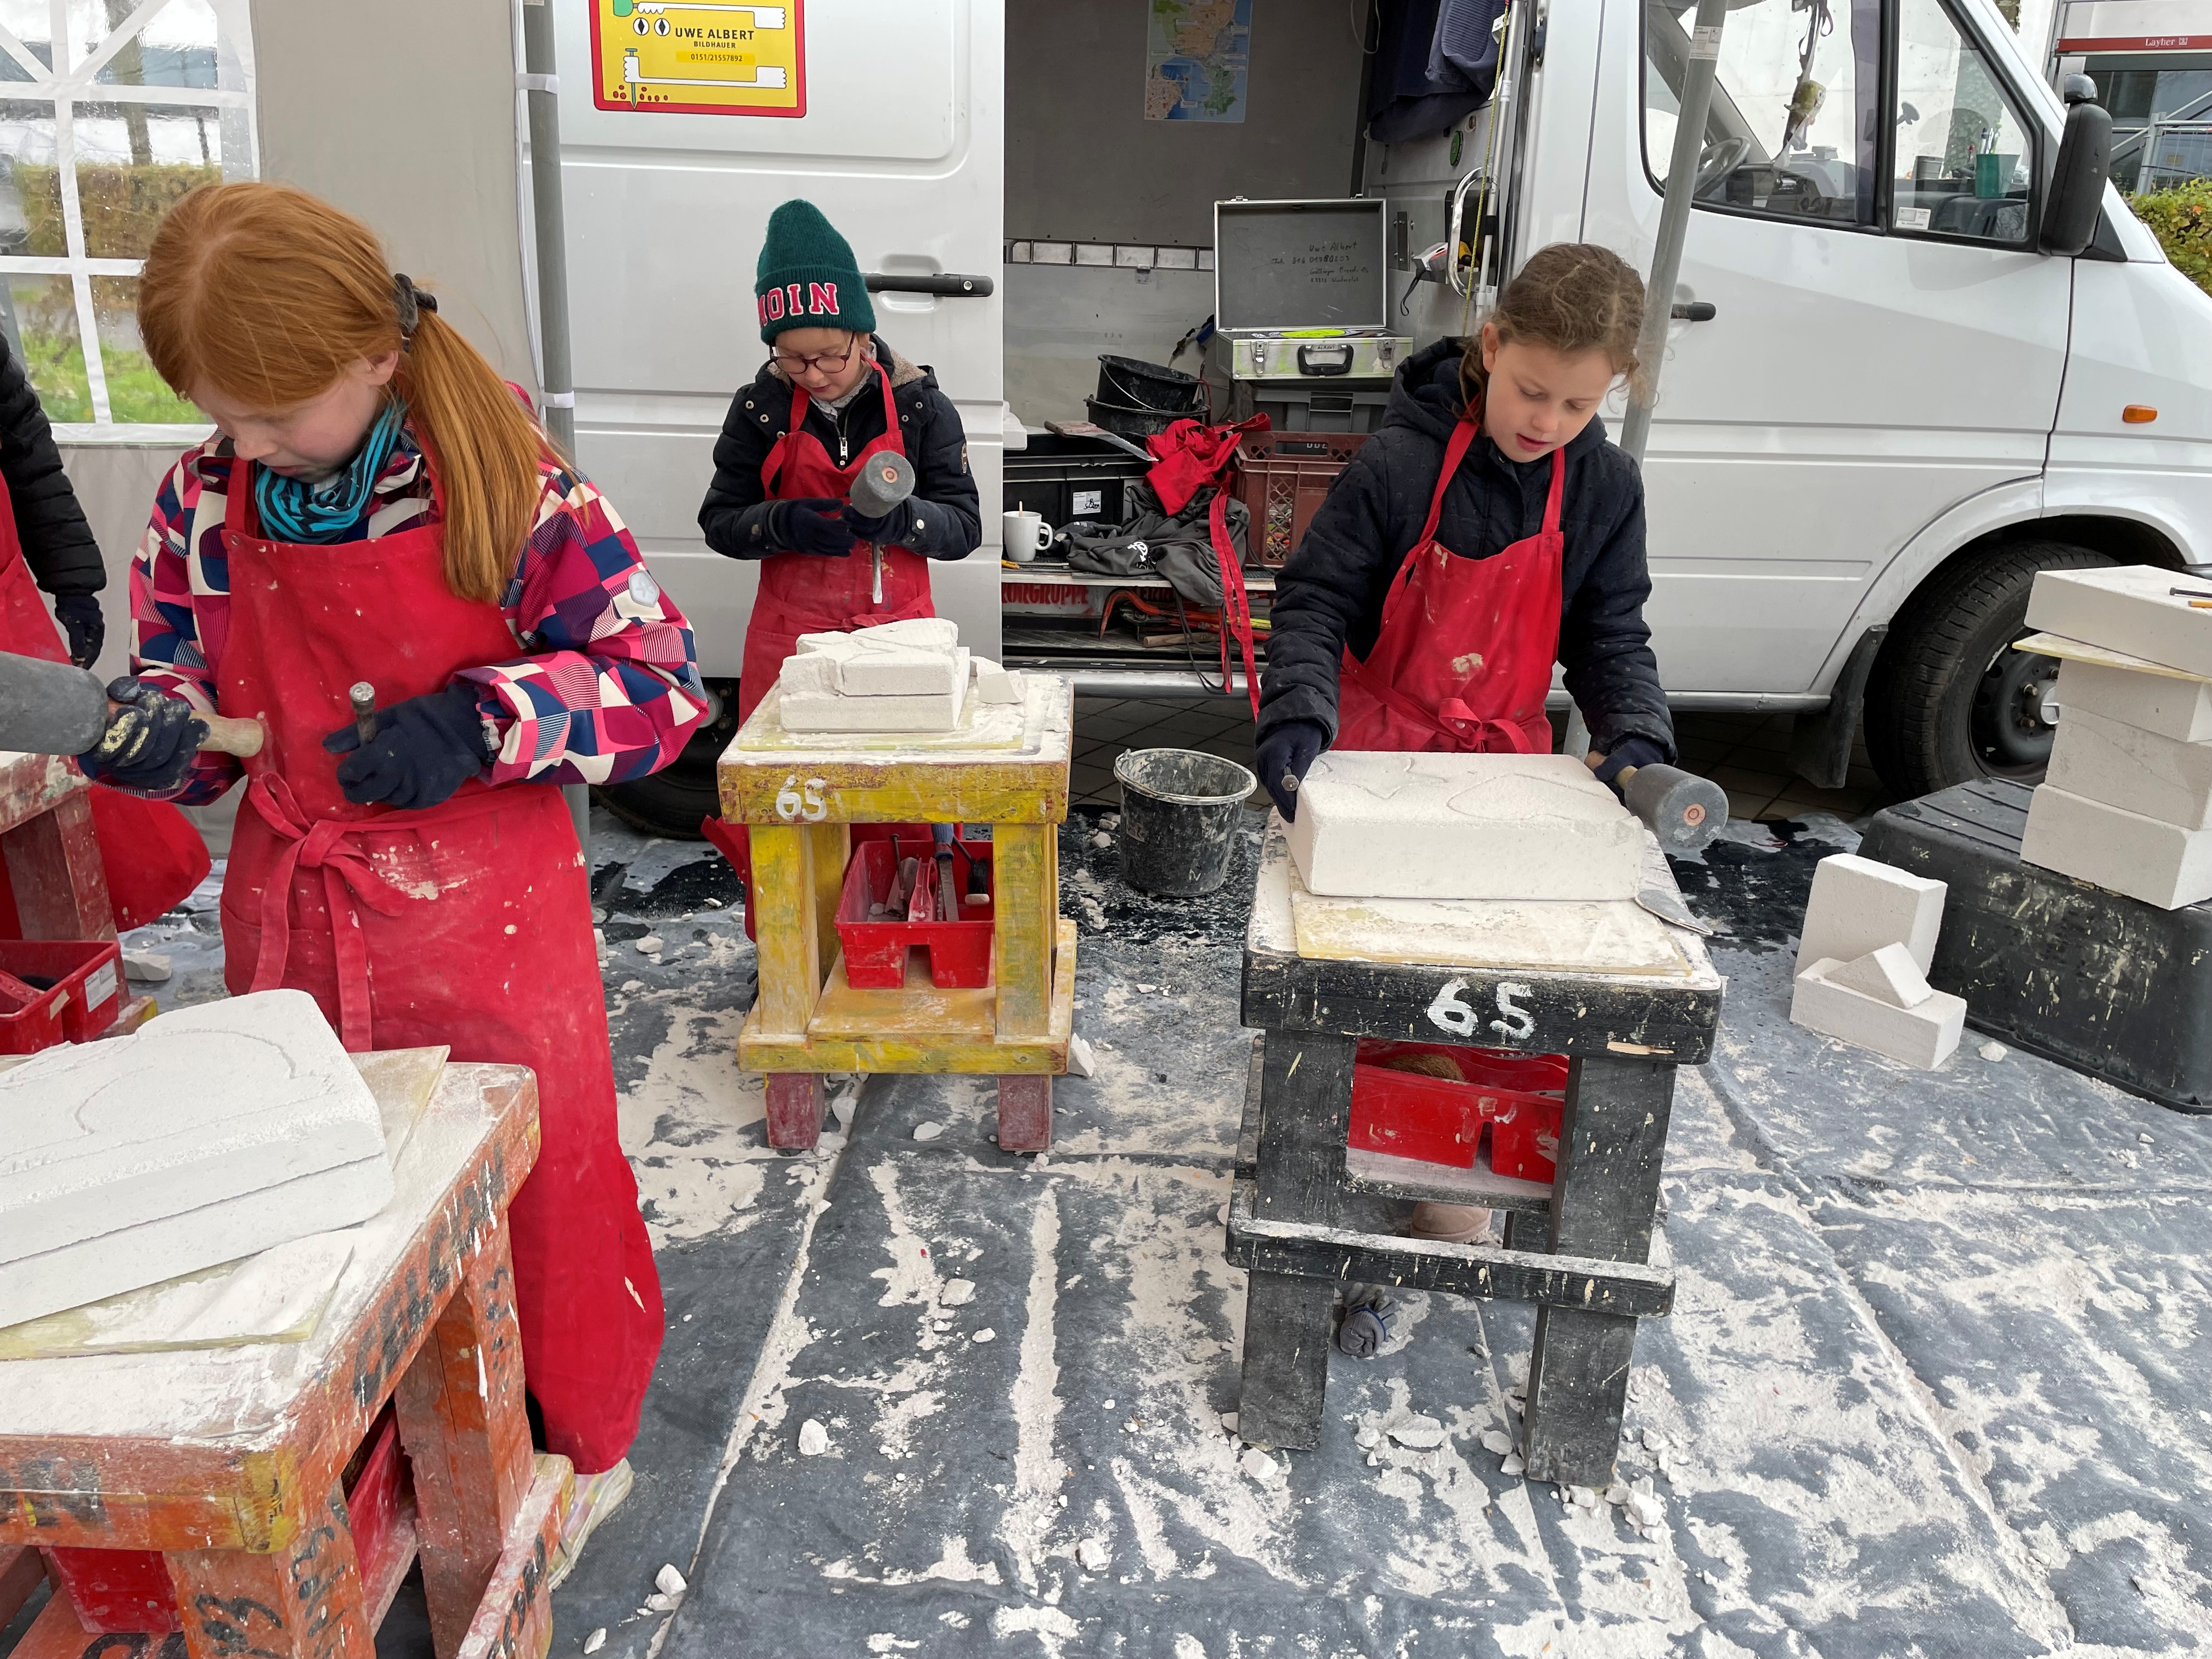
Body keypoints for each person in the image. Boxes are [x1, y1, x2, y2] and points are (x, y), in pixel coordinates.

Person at [80, 181, 704, 1581]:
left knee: (534, 1197)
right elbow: (183, 664)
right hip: (296, 907)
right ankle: (376, 1443)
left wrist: (485, 719)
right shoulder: (202, 499)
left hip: (490, 919)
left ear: (373, 353)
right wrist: (161, 730)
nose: (242, 445)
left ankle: (570, 1440)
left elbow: (659, 690)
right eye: (222, 414)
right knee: (329, 1196)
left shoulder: (514, 493)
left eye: (273, 413)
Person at [1256, 241, 1674, 1246]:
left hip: (1506, 771)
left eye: (1577, 406)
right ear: (1491, 345)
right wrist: (1298, 718)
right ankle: (1368, 1166)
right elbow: (1313, 602)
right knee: (1374, 977)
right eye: (1531, 392)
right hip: (1375, 761)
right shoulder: (1397, 466)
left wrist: (1637, 741)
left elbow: (1613, 638)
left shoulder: (1604, 488)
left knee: (1509, 973)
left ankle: (1477, 1147)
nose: (1547, 423)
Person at [696, 198, 980, 927]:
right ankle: (789, 955)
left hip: (899, 638)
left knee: (896, 803)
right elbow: (721, 523)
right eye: (792, 358)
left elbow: (965, 527)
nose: (814, 375)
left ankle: (898, 944)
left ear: (862, 335)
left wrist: (906, 519)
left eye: (829, 355)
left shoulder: (921, 408)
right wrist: (780, 522)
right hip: (791, 640)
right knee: (787, 809)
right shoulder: (760, 410)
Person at [0, 329, 207, 934]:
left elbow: (27, 451)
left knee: (55, 775)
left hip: (4, 600)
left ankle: (79, 942)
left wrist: (74, 581)